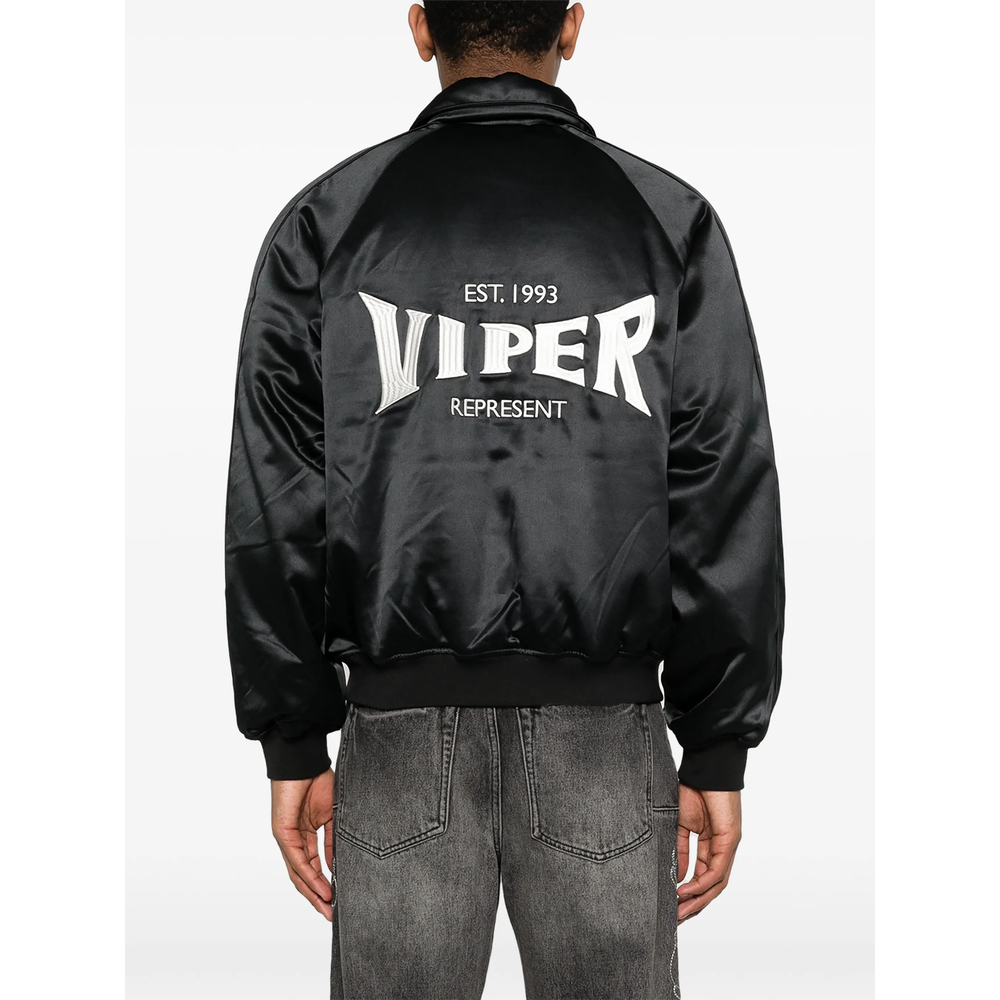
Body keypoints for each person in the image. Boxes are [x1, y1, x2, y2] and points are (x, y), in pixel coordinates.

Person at [223, 3, 785, 997]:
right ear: (570, 27)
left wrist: (293, 735)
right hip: (606, 741)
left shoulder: (330, 222)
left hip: (398, 737)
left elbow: (277, 495)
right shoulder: (666, 221)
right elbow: (720, 486)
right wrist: (716, 744)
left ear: (419, 28)